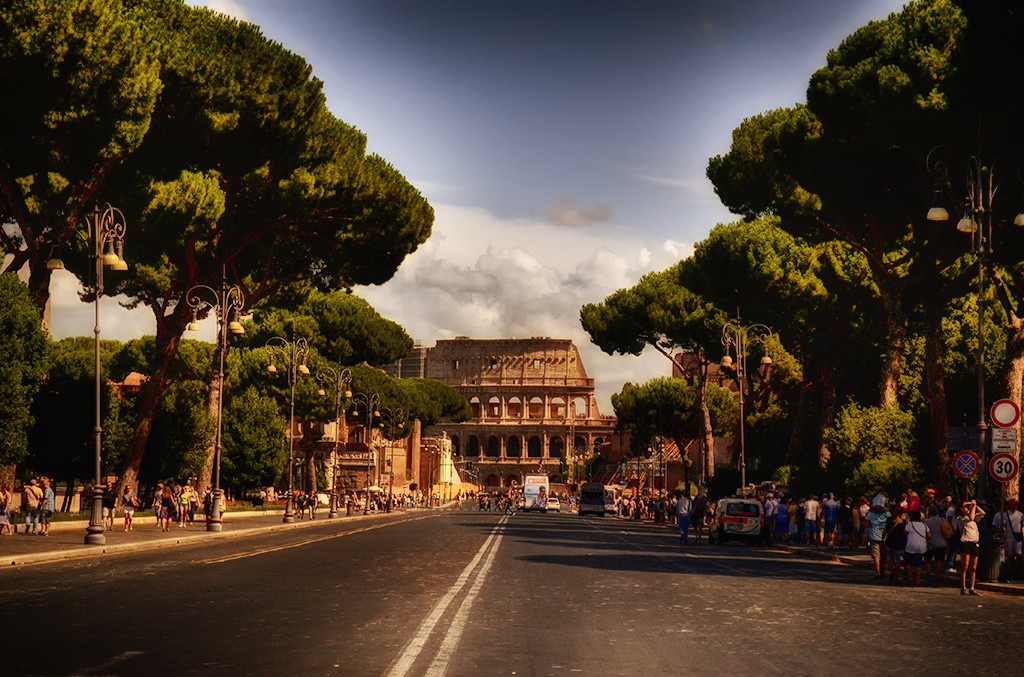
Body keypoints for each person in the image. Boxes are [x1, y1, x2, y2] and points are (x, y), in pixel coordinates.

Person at [957, 499, 986, 596]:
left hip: (974, 543)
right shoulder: (961, 519)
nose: (967, 508)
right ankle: (963, 587)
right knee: (964, 566)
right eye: (965, 506)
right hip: (965, 543)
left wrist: (975, 506)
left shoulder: (973, 519)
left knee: (973, 568)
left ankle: (972, 587)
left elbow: (983, 513)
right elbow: (971, 518)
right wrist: (972, 506)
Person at [992, 498, 1023, 580]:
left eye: (1016, 504)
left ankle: (1016, 570)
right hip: (1008, 538)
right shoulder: (1005, 515)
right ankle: (1010, 571)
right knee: (1009, 556)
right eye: (1013, 504)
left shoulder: (1021, 514)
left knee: (1019, 555)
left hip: (1018, 538)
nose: (1015, 506)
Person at [922, 504, 949, 586]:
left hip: (930, 544)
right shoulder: (942, 520)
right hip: (941, 544)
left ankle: (929, 576)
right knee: (938, 562)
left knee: (927, 561)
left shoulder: (926, 521)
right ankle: (937, 579)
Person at [865, 495, 890, 580]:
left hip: (873, 535)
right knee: (883, 556)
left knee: (876, 556)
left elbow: (867, 525)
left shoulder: (870, 513)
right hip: (884, 537)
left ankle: (878, 573)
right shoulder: (887, 514)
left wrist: (866, 537)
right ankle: (882, 571)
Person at [903, 510, 930, 586]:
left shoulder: (909, 524)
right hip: (921, 546)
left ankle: (910, 578)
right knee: (918, 563)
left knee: (908, 562)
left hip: (911, 545)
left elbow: (904, 532)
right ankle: (917, 580)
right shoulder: (924, 525)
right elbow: (929, 535)